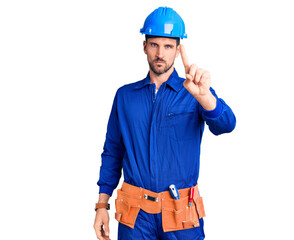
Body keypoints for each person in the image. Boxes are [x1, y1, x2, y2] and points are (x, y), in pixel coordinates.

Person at [94, 6, 236, 240]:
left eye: (168, 46)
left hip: (182, 217)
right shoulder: (125, 96)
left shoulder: (193, 92)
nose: (161, 53)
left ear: (178, 50)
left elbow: (226, 124)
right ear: (144, 47)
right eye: (154, 45)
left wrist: (205, 96)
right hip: (136, 217)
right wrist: (101, 205)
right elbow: (112, 153)